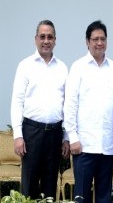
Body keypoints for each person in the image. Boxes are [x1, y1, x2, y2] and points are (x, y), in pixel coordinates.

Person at [10, 20, 70, 200]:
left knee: (50, 187)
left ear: (55, 40)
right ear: (36, 39)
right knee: (29, 187)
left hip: (54, 135)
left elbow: (67, 105)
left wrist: (66, 137)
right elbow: (17, 102)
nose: (46, 41)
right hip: (31, 134)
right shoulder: (25, 65)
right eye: (42, 36)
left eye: (49, 37)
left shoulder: (62, 68)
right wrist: (18, 136)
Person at [63, 20, 113, 203]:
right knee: (82, 198)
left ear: (107, 41)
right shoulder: (78, 67)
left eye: (102, 39)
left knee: (105, 198)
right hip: (83, 147)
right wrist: (72, 137)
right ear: (87, 42)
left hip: (106, 146)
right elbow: (70, 105)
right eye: (95, 39)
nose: (99, 43)